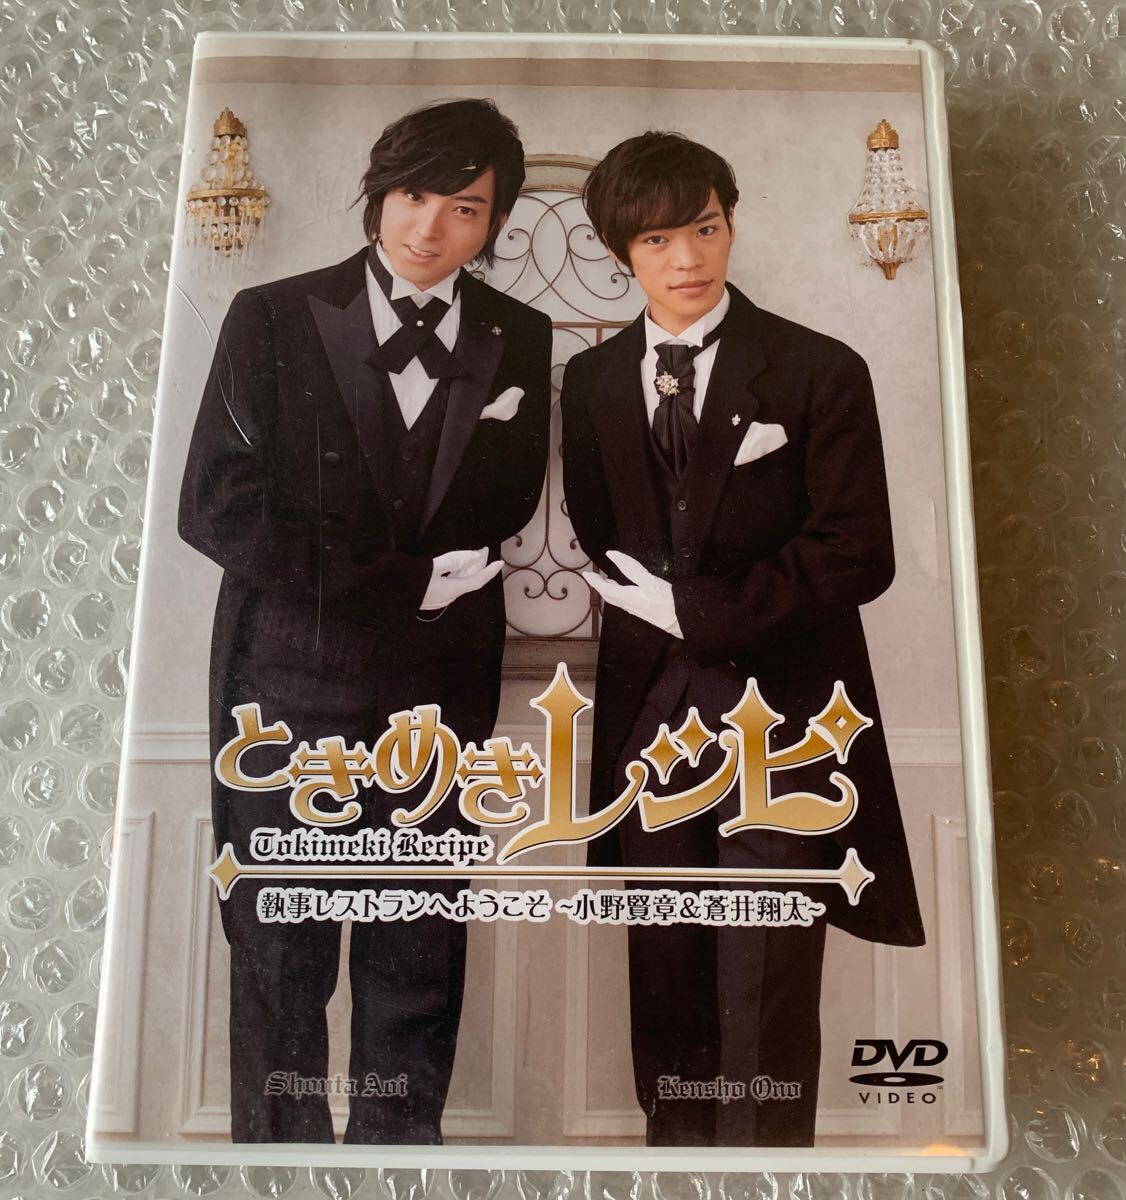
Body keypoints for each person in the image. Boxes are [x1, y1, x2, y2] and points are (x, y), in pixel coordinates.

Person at [178, 98, 552, 1144]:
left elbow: (509, 497)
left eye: (464, 207)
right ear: (379, 193)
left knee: (417, 966)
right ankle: (280, 1176)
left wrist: (420, 579)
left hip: (438, 697)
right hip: (285, 692)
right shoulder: (269, 315)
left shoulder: (520, 335)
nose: (429, 226)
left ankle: (400, 1167)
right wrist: (394, 585)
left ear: (495, 222)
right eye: (412, 195)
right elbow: (215, 505)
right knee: (280, 965)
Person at [559, 131, 924, 1147]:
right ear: (621, 252)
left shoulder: (819, 368)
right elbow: (605, 534)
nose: (688, 258)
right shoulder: (589, 383)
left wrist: (700, 611)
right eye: (658, 239)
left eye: (706, 228)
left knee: (766, 988)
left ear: (731, 223)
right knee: (666, 983)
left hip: (788, 729)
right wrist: (666, 615)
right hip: (650, 722)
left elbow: (859, 551)